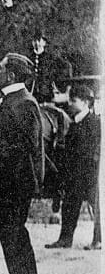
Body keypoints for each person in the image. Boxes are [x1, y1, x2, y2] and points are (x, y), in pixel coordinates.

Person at [0, 53, 44, 274]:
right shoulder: (12, 101)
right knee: (10, 235)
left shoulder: (23, 104)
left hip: (16, 182)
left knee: (16, 235)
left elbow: (23, 149)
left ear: (10, 76)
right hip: (7, 181)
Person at [46, 83, 101, 250]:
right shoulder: (75, 123)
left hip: (90, 173)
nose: (69, 103)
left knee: (97, 207)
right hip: (75, 174)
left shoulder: (95, 122)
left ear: (85, 103)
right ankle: (65, 239)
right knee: (69, 205)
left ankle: (98, 239)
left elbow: (92, 150)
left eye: (74, 100)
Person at [28, 32, 72, 104]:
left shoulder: (51, 58)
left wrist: (63, 88)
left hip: (46, 94)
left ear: (44, 43)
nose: (36, 43)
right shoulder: (28, 57)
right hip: (31, 93)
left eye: (39, 40)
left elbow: (67, 65)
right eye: (34, 40)